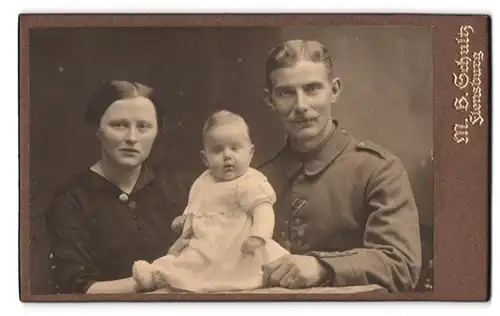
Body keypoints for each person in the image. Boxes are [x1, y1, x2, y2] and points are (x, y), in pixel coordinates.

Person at [258, 39, 422, 292]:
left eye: (312, 89)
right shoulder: (257, 180)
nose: (301, 105)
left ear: (334, 90)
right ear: (270, 100)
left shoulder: (379, 170)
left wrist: (322, 267)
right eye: (286, 92)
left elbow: (401, 265)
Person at [45, 80, 187, 294]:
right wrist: (154, 280)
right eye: (119, 125)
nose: (131, 138)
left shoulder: (178, 189)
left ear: (157, 131)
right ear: (98, 130)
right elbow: (78, 289)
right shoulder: (71, 200)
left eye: (143, 127)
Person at [132, 110, 289, 293]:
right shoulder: (203, 181)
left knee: (264, 263)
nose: (227, 156)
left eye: (235, 148)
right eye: (217, 150)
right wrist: (185, 219)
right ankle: (156, 275)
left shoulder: (250, 181)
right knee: (187, 261)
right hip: (206, 243)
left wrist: (259, 236)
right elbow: (197, 206)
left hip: (238, 244)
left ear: (250, 153)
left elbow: (263, 211)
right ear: (205, 158)